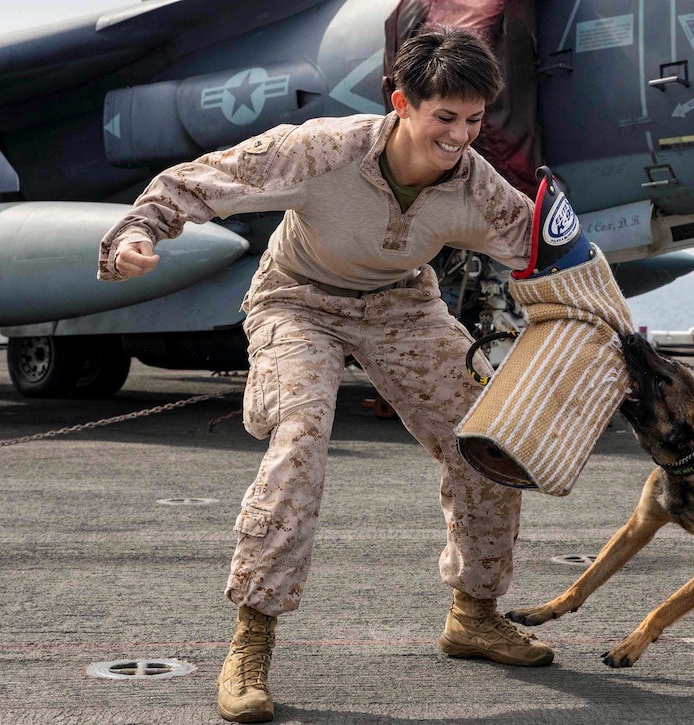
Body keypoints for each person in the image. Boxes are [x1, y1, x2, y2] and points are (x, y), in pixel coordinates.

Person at [98, 28, 560, 724]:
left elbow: (554, 252)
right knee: (302, 433)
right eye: (445, 118)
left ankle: (475, 612)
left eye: (473, 120)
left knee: (485, 438)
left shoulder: (477, 185)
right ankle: (251, 640)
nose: (461, 136)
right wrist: (137, 234)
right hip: (297, 301)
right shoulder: (323, 150)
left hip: (403, 304)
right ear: (401, 102)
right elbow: (199, 179)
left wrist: (609, 337)